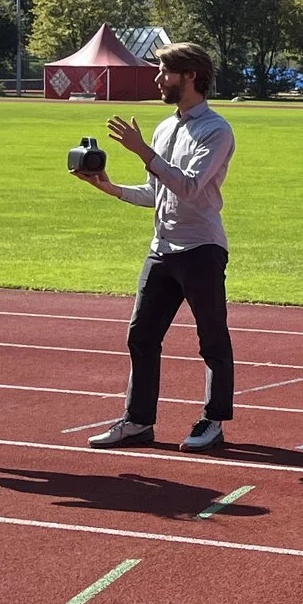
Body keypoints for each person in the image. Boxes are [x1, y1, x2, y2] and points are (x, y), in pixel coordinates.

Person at [71, 41, 236, 453]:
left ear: (191, 76)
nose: (158, 79)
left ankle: (213, 421)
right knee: (141, 336)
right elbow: (157, 192)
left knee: (211, 338)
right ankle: (138, 421)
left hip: (201, 249)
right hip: (162, 249)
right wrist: (109, 188)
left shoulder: (216, 130)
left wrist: (141, 150)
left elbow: (189, 186)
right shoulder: (165, 127)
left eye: (164, 72)